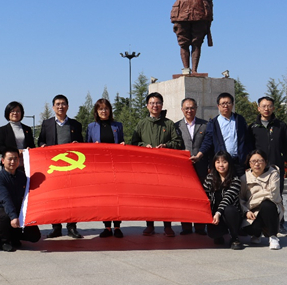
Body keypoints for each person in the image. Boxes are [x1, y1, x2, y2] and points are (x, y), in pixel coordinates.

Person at [131, 92, 184, 236]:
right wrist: (144, 146)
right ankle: (150, 225)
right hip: (147, 167)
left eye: (158, 103)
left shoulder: (169, 124)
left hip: (165, 167)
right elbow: (134, 143)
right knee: (149, 197)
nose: (155, 105)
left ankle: (167, 226)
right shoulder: (142, 124)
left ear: (162, 105)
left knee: (166, 197)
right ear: (147, 106)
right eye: (152, 103)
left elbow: (178, 143)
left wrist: (166, 146)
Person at [38, 94, 84, 239]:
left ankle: (72, 227)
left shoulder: (76, 124)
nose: (60, 106)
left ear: (68, 106)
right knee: (55, 198)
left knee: (72, 198)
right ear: (53, 107)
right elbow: (40, 141)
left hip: (71, 167)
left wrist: (78, 145)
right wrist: (43, 146)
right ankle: (56, 227)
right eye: (57, 104)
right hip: (54, 167)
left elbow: (82, 145)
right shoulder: (47, 124)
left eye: (63, 104)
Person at [249, 96, 287, 237]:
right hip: (258, 168)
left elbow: (286, 145)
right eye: (263, 106)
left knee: (277, 195)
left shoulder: (281, 126)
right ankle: (258, 225)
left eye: (269, 106)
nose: (266, 109)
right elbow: (250, 148)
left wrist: (279, 157)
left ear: (273, 108)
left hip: (275, 167)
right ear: (258, 108)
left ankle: (279, 224)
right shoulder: (253, 127)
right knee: (257, 195)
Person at [85, 98, 125, 238]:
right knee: (105, 198)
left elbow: (121, 142)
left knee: (117, 198)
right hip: (100, 167)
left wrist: (122, 145)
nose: (104, 111)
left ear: (110, 110)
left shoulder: (118, 125)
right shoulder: (91, 127)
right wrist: (93, 148)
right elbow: (86, 147)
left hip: (115, 166)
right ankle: (107, 227)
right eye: (101, 109)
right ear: (96, 111)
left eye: (106, 108)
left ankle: (117, 226)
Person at [192, 92, 253, 177]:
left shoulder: (240, 120)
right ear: (218, 106)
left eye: (228, 103)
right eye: (223, 103)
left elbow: (248, 140)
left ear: (232, 104)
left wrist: (248, 158)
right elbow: (207, 142)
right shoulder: (213, 123)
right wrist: (198, 156)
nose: (226, 106)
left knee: (240, 184)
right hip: (222, 164)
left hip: (239, 163)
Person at [0, 148, 41, 251]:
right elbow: (5, 200)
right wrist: (13, 216)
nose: (13, 162)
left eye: (15, 159)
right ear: (3, 160)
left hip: (19, 210)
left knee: (35, 236)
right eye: (10, 159)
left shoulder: (22, 176)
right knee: (4, 216)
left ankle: (14, 237)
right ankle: (4, 241)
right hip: (3, 210)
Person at [175, 97, 208, 235]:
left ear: (196, 109)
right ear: (182, 109)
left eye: (192, 108)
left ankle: (200, 226)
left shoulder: (205, 125)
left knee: (201, 196)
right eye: (186, 108)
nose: (189, 110)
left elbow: (208, 144)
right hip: (184, 168)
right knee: (185, 197)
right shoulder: (176, 126)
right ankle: (186, 226)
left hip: (201, 165)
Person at [240, 149, 284, 250]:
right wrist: (246, 211)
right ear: (249, 163)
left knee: (267, 204)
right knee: (249, 228)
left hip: (271, 209)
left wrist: (251, 202)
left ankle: (273, 237)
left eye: (260, 161)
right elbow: (241, 198)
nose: (257, 164)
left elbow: (272, 195)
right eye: (253, 161)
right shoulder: (244, 178)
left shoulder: (273, 174)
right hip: (253, 212)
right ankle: (257, 234)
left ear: (266, 162)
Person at [203, 151, 243, 250]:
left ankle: (235, 237)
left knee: (229, 209)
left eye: (224, 162)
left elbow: (227, 198)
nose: (221, 165)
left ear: (229, 163)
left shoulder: (235, 180)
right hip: (215, 216)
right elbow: (204, 194)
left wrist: (218, 213)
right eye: (218, 162)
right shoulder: (210, 178)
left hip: (231, 215)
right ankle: (220, 234)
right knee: (213, 235)